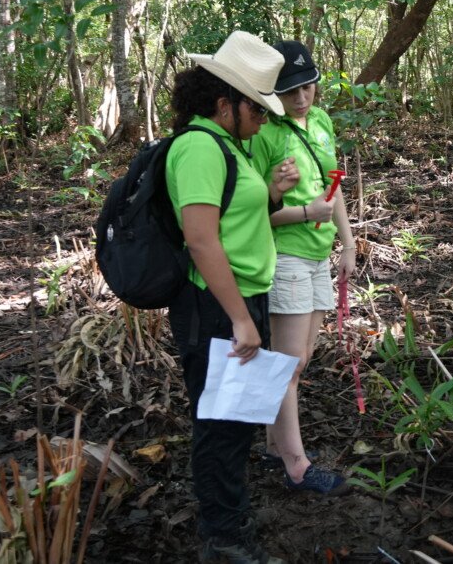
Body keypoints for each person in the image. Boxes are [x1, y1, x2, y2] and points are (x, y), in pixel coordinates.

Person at [166, 30, 298, 564]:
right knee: (220, 426)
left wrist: (272, 193)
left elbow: (233, 218)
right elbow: (201, 239)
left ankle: (230, 517)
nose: (263, 120)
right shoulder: (199, 147)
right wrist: (241, 319)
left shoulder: (225, 146)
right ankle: (223, 538)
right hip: (220, 307)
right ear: (226, 104)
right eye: (257, 109)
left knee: (237, 419)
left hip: (240, 301)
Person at [250, 40, 356, 495]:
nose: (300, 98)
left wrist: (348, 243)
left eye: (306, 87)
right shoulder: (264, 134)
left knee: (299, 358)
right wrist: (305, 212)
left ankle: (274, 446)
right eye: (290, 91)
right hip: (286, 253)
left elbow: (334, 187)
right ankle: (297, 465)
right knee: (286, 366)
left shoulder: (322, 121)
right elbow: (254, 211)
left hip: (318, 253)